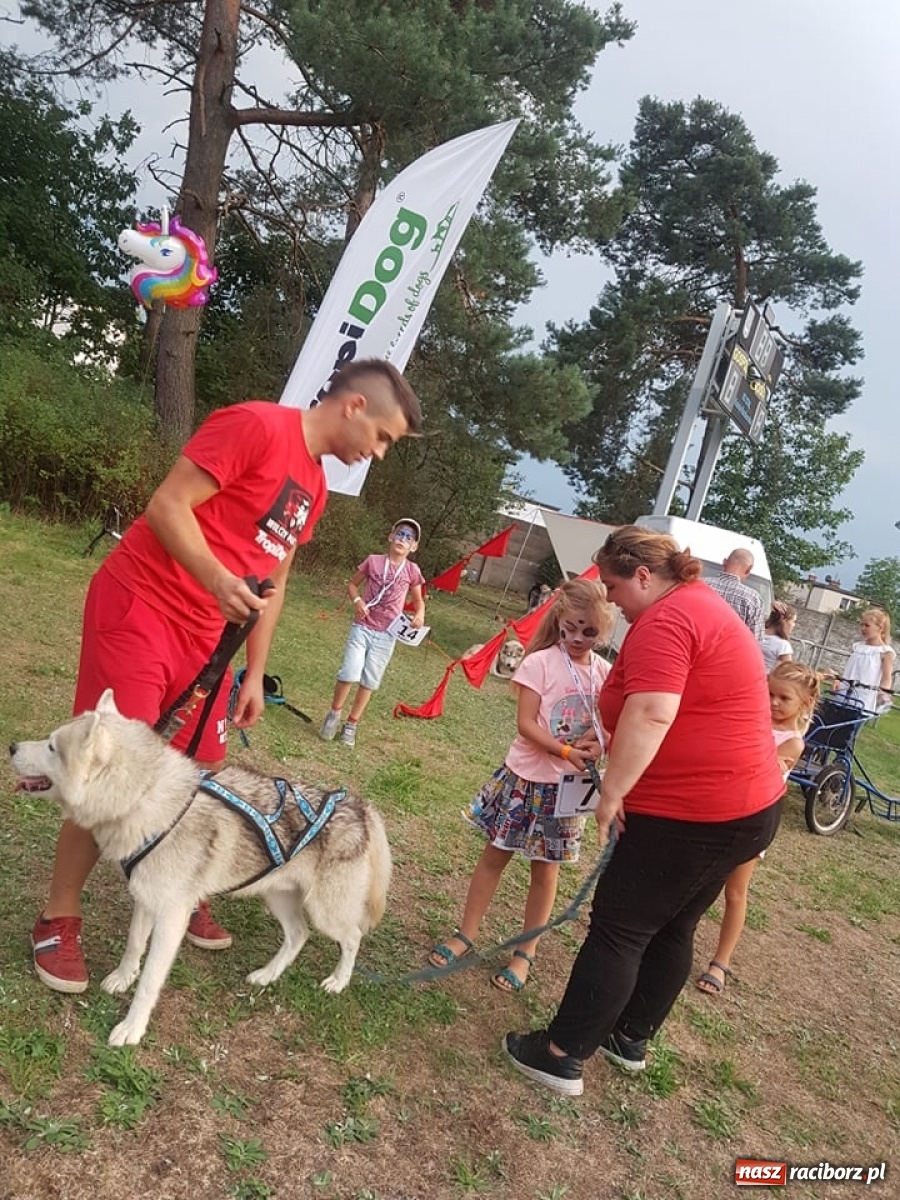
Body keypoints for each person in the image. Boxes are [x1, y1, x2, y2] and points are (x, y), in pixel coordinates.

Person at [31, 359, 422, 994]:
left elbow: (275, 581)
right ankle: (58, 916)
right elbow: (168, 504)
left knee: (205, 771)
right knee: (103, 764)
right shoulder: (256, 426)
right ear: (354, 407)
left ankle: (188, 882)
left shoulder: (315, 486)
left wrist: (253, 672)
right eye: (382, 438)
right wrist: (217, 581)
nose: (377, 454)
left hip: (208, 639)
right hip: (141, 606)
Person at [502, 526, 784, 1097]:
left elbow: (653, 712)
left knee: (620, 930)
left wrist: (612, 794)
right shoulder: (698, 605)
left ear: (645, 577)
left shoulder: (666, 619)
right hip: (749, 807)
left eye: (612, 585)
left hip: (694, 812)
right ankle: (628, 1037)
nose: (610, 601)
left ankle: (561, 1055)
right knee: (674, 924)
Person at [428, 578, 614, 992]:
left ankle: (525, 952)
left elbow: (610, 725)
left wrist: (597, 746)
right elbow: (527, 724)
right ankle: (466, 933)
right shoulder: (540, 662)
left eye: (589, 632)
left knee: (546, 873)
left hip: (565, 792)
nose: (578, 638)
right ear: (559, 620)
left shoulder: (605, 673)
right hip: (525, 779)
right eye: (571, 627)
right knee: (495, 855)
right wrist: (565, 752)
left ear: (604, 631)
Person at [696, 661, 819, 997]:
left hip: (754, 819)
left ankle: (720, 961)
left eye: (784, 698)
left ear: (804, 704)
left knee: (735, 891)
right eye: (769, 694)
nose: (774, 703)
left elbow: (755, 760)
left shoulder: (793, 743)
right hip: (722, 811)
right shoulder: (752, 721)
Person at [319, 518, 426, 747]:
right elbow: (352, 584)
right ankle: (334, 713)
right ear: (390, 537)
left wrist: (419, 615)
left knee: (369, 680)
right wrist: (357, 600)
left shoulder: (412, 571)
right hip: (363, 626)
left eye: (408, 537)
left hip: (387, 634)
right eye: (399, 534)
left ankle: (352, 724)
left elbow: (419, 601)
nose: (402, 539)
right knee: (349, 671)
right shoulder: (373, 561)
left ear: (413, 546)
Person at [835, 607, 895, 713]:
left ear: (880, 628)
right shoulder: (858, 647)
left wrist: (882, 694)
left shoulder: (885, 652)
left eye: (867, 625)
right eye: (861, 625)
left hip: (862, 699)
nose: (863, 628)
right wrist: (838, 681)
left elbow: (886, 679)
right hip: (843, 694)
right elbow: (851, 671)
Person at [705, 548, 765, 641]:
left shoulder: (700, 584)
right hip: (727, 653)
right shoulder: (753, 599)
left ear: (724, 562)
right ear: (748, 570)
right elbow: (755, 641)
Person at [761, 601, 797, 672]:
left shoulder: (755, 631)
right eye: (793, 621)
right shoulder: (783, 645)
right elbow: (787, 671)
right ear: (783, 619)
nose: (794, 625)